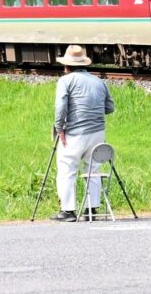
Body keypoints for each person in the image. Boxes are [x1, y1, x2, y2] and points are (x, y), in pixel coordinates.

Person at [51, 45, 115, 222]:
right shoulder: (98, 81)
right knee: (93, 169)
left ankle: (68, 210)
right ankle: (91, 209)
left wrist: (59, 129)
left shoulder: (65, 81)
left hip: (74, 133)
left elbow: (61, 107)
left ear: (66, 66)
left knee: (67, 169)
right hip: (97, 133)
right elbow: (109, 107)